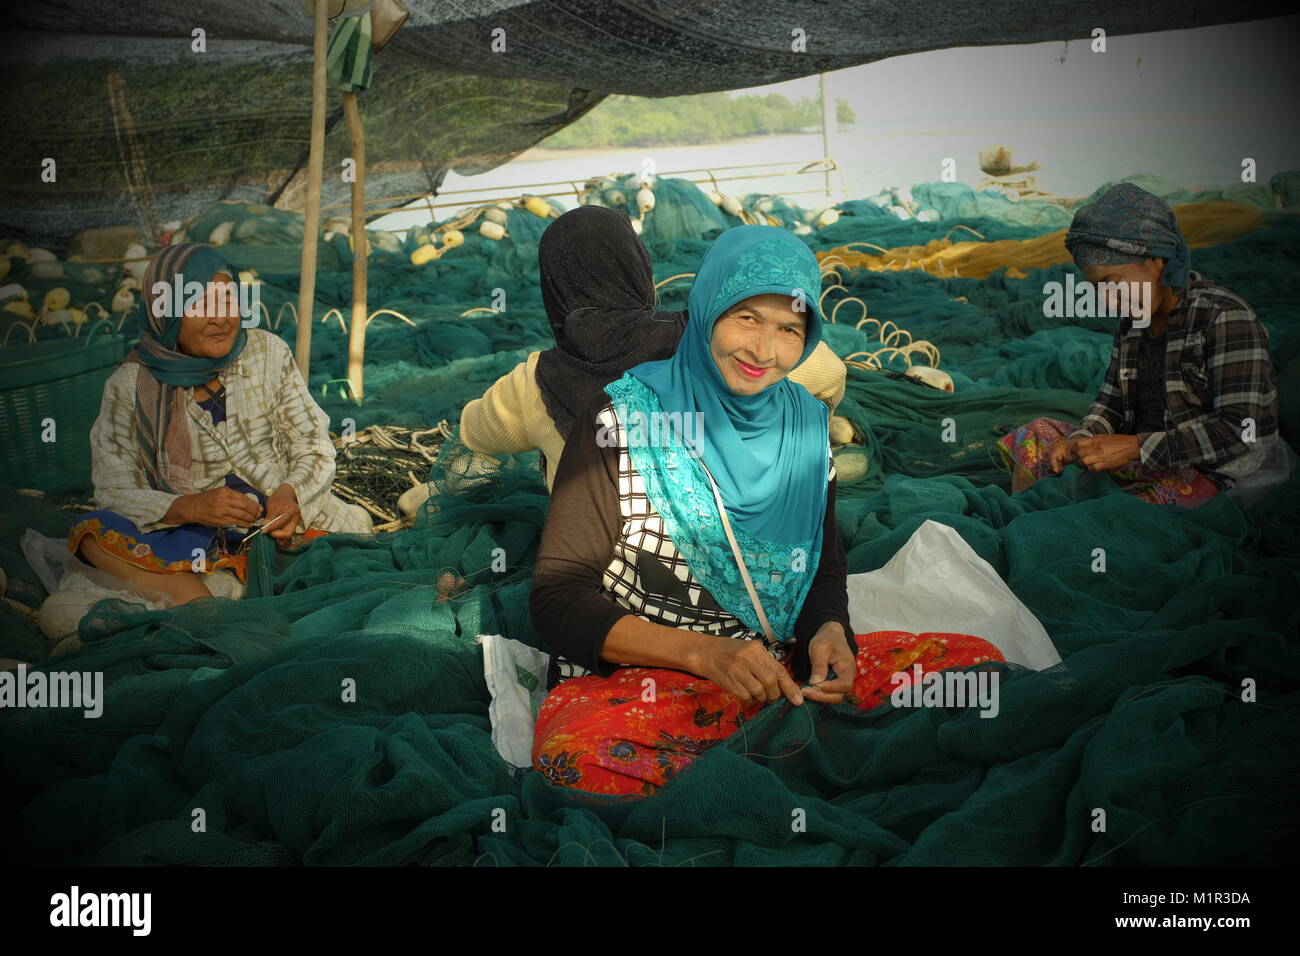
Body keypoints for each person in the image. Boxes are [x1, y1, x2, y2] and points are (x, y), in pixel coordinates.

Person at [529, 225, 1003, 796]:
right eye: (746, 318)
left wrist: (831, 633)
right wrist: (704, 653)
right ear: (706, 313)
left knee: (975, 671)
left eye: (788, 329)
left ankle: (764, 758)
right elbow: (556, 601)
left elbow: (824, 566)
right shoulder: (623, 422)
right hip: (652, 682)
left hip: (779, 674)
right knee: (572, 760)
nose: (762, 351)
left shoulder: (806, 422)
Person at [459, 205, 848, 491]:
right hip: (728, 536)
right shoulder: (713, 343)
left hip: (604, 567)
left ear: (554, 287)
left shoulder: (533, 382)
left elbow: (475, 434)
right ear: (638, 266)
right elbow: (830, 374)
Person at [68, 242, 371, 606]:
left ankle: (214, 600)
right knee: (93, 533)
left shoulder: (266, 353)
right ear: (165, 312)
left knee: (350, 547)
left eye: (228, 300)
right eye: (199, 304)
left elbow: (312, 442)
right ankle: (214, 603)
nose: (221, 318)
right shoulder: (129, 385)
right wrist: (190, 507)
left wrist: (290, 494)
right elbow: (114, 489)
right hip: (193, 534)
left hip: (285, 525)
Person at [997, 183, 1281, 507]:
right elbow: (1112, 400)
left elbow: (1240, 432)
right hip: (1149, 455)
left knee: (1120, 514)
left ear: (1157, 260)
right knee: (1035, 434)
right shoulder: (1134, 321)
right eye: (1097, 288)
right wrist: (1083, 438)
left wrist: (1134, 448)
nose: (1107, 299)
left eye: (1113, 282)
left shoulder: (1225, 318)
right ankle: (1023, 519)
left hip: (1220, 469)